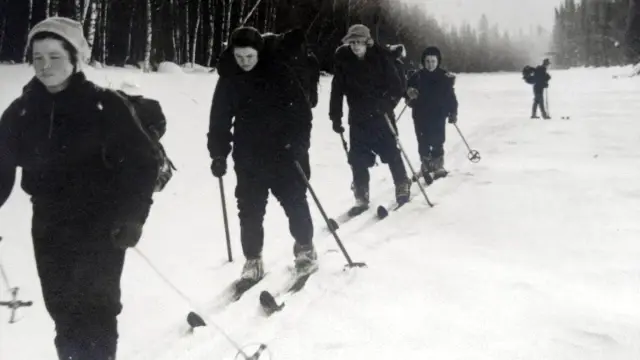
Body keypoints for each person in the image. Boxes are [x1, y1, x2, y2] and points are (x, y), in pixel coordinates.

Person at [0, 17, 160, 360]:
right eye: (37, 57)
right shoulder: (22, 111)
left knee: (97, 310)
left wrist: (133, 216)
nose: (45, 66)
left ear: (76, 59)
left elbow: (143, 164)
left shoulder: (107, 106)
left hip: (102, 223)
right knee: (62, 308)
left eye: (55, 57)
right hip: (48, 223)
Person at [208, 26, 317, 281]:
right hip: (249, 155)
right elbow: (219, 119)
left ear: (258, 53)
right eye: (239, 57)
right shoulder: (229, 78)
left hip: (284, 153)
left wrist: (296, 145)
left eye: (249, 57)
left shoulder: (279, 72)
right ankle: (253, 259)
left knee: (294, 202)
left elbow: (303, 115)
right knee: (249, 209)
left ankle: (305, 248)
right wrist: (218, 153)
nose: (244, 62)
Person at [329, 24, 411, 213]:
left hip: (381, 115)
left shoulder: (381, 58)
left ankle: (401, 183)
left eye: (359, 42)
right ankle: (361, 194)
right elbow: (337, 91)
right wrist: (335, 116)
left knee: (391, 151)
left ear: (368, 42)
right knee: (357, 158)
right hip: (357, 117)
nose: (356, 46)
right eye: (352, 42)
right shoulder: (344, 62)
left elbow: (396, 87)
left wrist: (386, 104)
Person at [406, 46, 458, 181]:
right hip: (420, 115)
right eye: (427, 61)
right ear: (423, 61)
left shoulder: (444, 76)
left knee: (437, 140)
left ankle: (438, 166)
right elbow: (408, 98)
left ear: (438, 61)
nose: (430, 64)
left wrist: (453, 112)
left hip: (438, 115)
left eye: (433, 61)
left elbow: (451, 97)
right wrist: (410, 96)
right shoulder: (416, 77)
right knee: (422, 140)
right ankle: (426, 166)